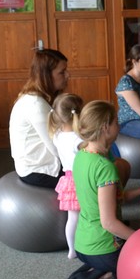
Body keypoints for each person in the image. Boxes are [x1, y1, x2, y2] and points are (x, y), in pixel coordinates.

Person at [68, 100, 140, 279]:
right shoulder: (104, 167)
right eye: (116, 122)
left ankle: (98, 267)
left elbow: (117, 199)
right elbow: (109, 223)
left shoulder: (81, 155)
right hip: (104, 249)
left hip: (82, 246)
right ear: (105, 128)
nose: (119, 126)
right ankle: (107, 271)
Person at [9, 48, 69, 188]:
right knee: (100, 171)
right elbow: (57, 147)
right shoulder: (36, 104)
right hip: (39, 171)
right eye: (62, 72)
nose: (68, 75)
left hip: (43, 164)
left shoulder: (42, 99)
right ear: (46, 75)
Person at [50, 92, 85, 260]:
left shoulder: (56, 135)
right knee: (88, 214)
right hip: (81, 179)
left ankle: (72, 249)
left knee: (72, 218)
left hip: (67, 179)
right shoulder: (78, 139)